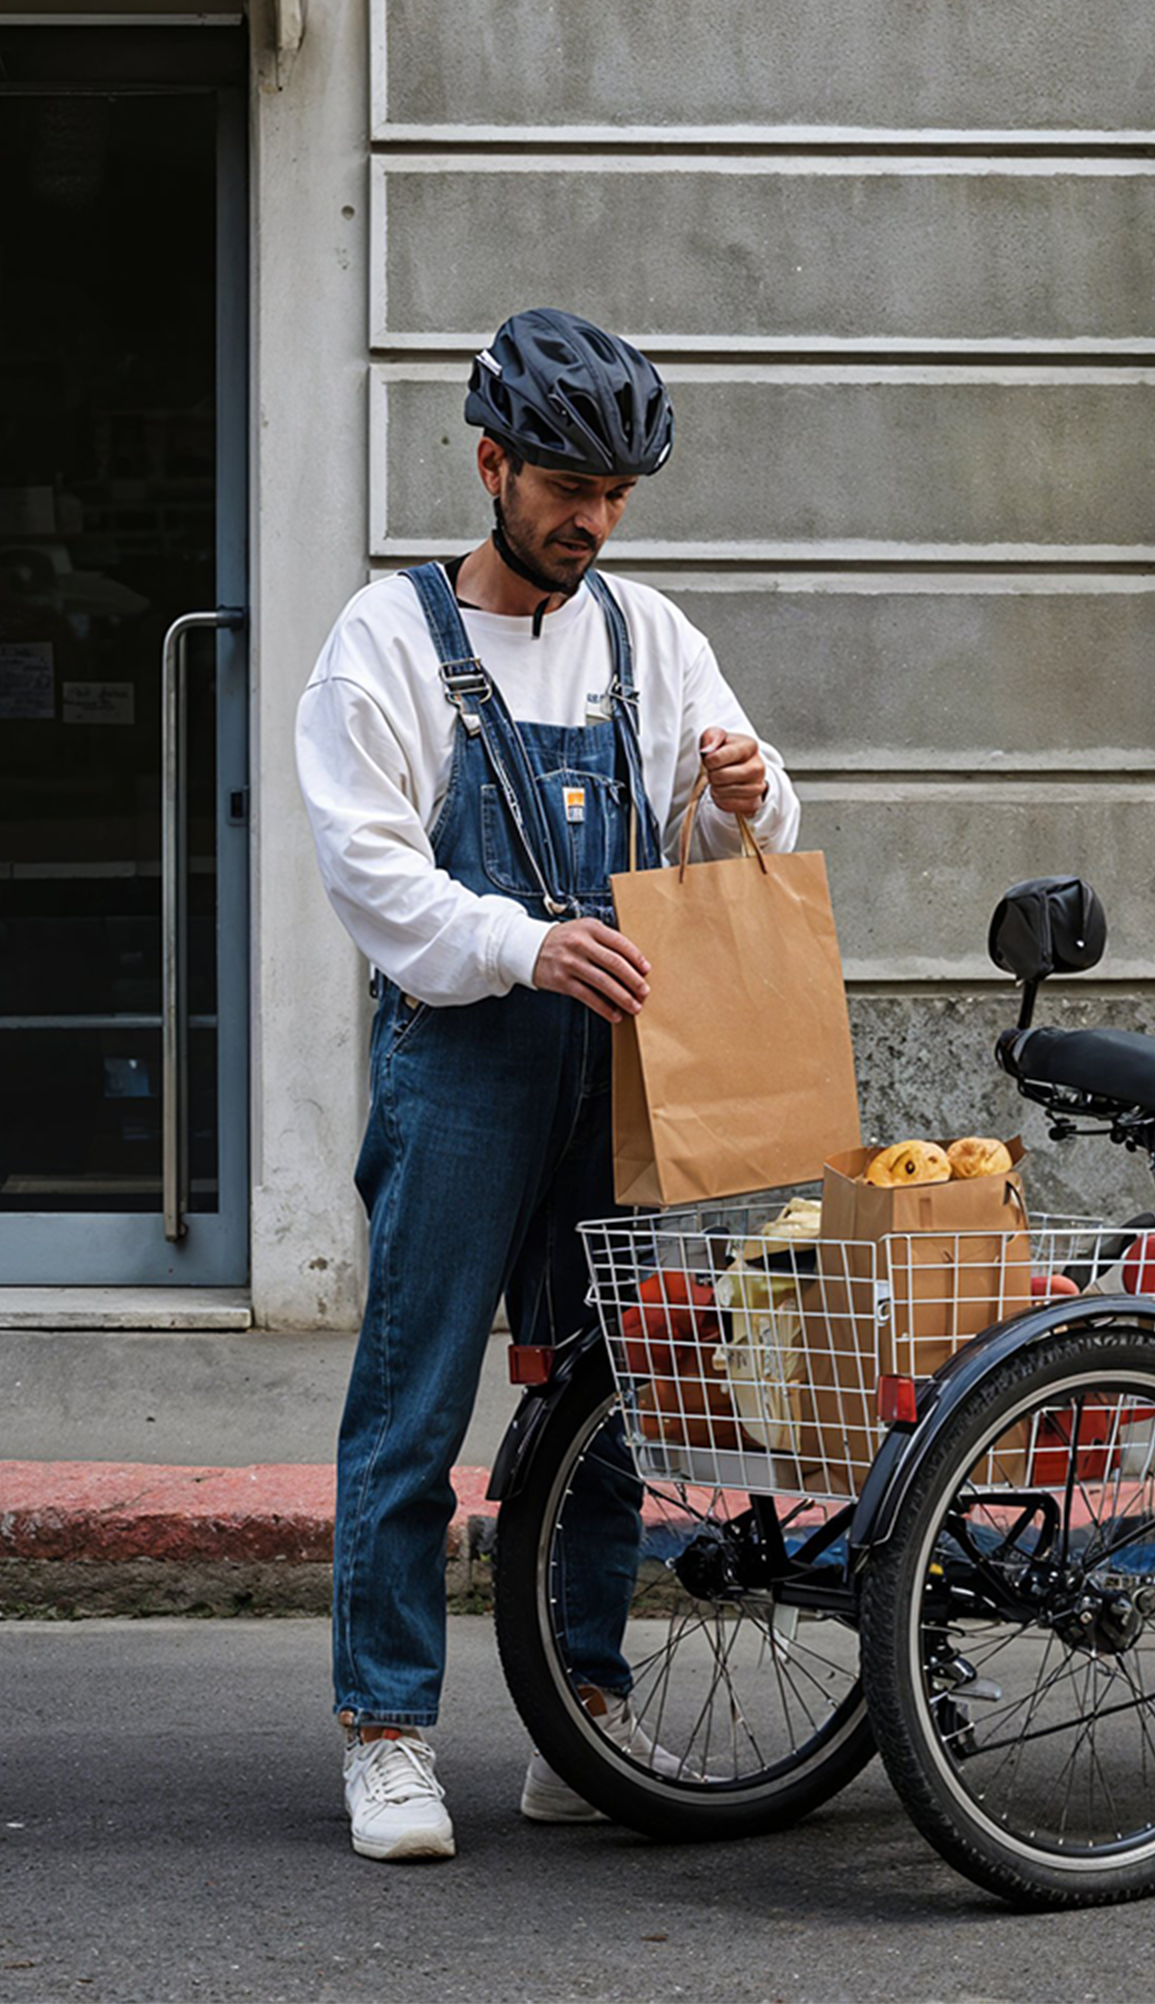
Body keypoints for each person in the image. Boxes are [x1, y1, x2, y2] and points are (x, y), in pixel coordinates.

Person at [295, 308, 798, 1861]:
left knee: (614, 1399)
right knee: (415, 1396)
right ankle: (387, 1730)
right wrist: (522, 946)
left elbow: (743, 848)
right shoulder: (382, 643)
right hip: (464, 1066)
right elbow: (371, 875)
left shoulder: (649, 634)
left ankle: (584, 1712)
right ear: (491, 463)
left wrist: (743, 792)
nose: (597, 521)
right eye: (570, 487)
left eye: (620, 495)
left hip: (628, 1068)